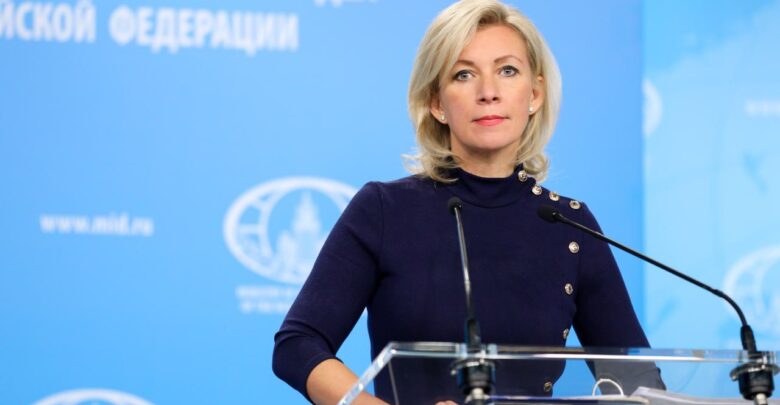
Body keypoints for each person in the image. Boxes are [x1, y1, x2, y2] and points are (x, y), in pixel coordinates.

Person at [273, 1, 661, 404]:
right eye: (464, 74)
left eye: (507, 71)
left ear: (534, 94)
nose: (488, 92)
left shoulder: (569, 226)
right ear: (437, 103)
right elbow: (298, 345)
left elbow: (640, 382)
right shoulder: (384, 210)